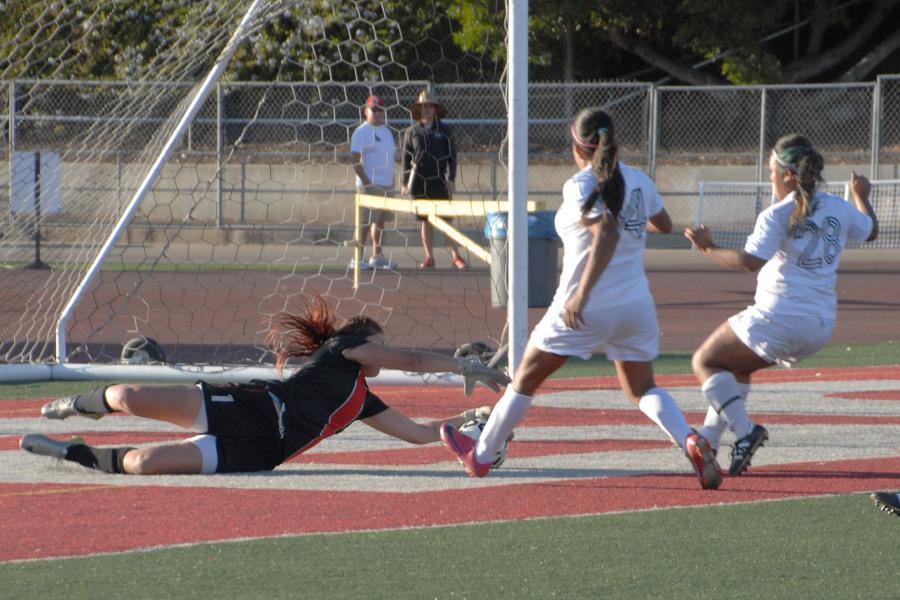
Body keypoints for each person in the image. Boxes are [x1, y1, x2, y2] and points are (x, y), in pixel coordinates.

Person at [440, 107, 723, 490]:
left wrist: (582, 296)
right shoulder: (637, 180)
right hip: (635, 306)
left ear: (576, 148)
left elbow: (605, 232)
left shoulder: (580, 185)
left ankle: (482, 455)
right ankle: (690, 438)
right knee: (642, 389)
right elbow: (664, 224)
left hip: (584, 305)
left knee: (523, 379)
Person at [20, 296, 509, 475]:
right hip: (250, 411)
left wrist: (467, 422)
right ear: (358, 343)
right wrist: (465, 368)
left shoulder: (363, 400)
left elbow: (421, 433)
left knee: (143, 463)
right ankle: (77, 404)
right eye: (376, 345)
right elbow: (411, 357)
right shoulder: (343, 352)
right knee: (126, 396)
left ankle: (71, 454)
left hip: (259, 454)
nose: (382, 353)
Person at [684, 134, 878, 477]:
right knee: (735, 369)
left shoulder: (779, 212)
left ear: (788, 174)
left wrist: (707, 248)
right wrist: (862, 197)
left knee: (705, 360)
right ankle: (709, 443)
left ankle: (745, 432)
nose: (770, 178)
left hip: (780, 316)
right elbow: (870, 230)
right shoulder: (837, 205)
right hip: (819, 324)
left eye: (772, 172)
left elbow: (748, 262)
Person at [400, 88, 467, 270]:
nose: (427, 110)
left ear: (436, 109)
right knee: (425, 220)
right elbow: (406, 158)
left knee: (446, 220)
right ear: (419, 109)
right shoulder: (411, 132)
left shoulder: (445, 130)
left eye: (431, 106)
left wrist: (451, 179)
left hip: (439, 181)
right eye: (424, 107)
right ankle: (429, 256)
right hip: (419, 182)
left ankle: (457, 256)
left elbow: (452, 156)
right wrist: (405, 182)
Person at [350, 94, 397, 270]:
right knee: (364, 222)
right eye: (374, 109)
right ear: (366, 111)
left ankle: (377, 256)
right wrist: (366, 181)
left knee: (381, 222)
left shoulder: (386, 131)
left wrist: (392, 181)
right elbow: (355, 159)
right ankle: (357, 258)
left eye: (380, 110)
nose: (377, 113)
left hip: (386, 184)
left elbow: (391, 157)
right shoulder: (361, 132)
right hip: (369, 184)